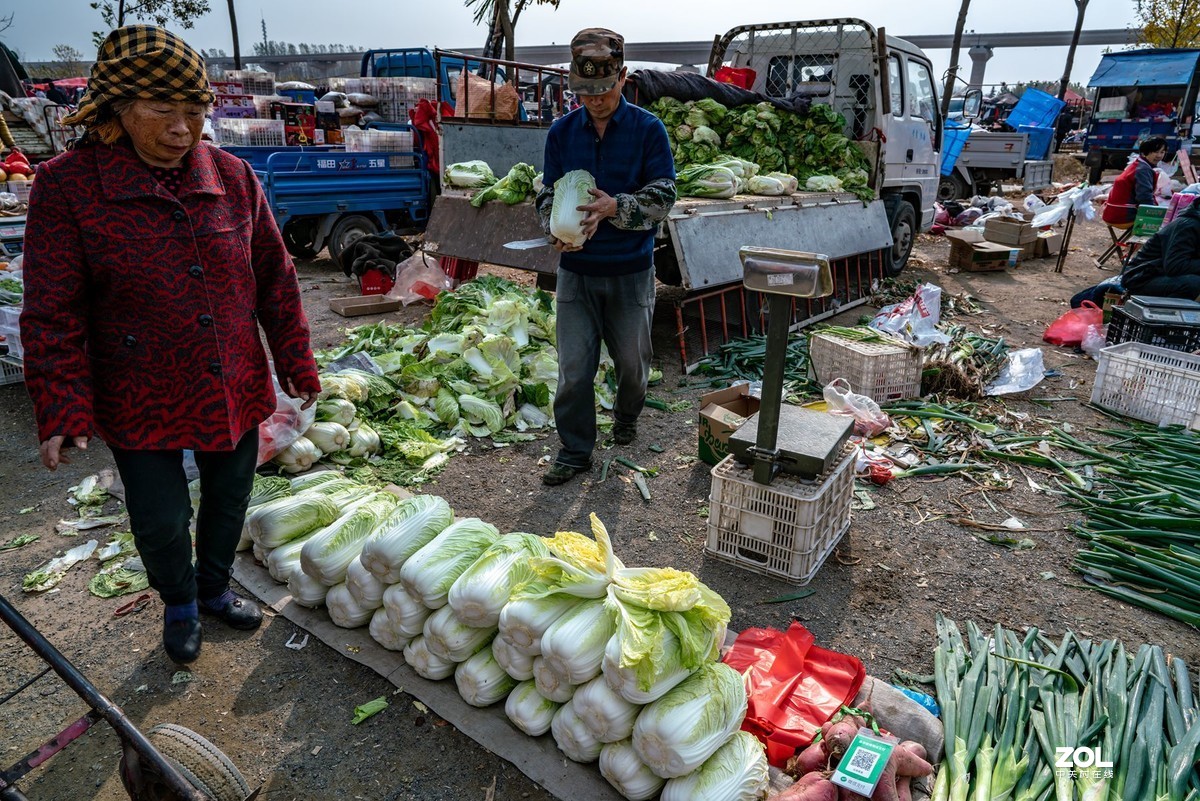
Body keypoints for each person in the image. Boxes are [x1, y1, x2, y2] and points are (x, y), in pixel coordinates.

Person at [20, 26, 321, 665]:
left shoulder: (234, 177)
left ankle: (213, 588)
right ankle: (178, 601)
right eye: (163, 112)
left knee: (230, 493)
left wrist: (295, 360)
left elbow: (275, 278)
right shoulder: (68, 186)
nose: (183, 129)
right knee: (159, 518)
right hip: (139, 387)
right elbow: (53, 311)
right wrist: (63, 406)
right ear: (115, 111)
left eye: (194, 111)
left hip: (230, 375)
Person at [535, 28, 676, 486]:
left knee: (634, 367)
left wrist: (619, 207)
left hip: (631, 272)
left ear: (623, 78)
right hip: (576, 272)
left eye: (603, 90)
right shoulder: (561, 133)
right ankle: (575, 451)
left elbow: (665, 196)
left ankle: (627, 415)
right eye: (584, 92)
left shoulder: (648, 129)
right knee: (574, 370)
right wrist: (553, 230)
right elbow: (547, 194)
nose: (593, 100)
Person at [1070, 198, 1200, 306]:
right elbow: (1175, 266)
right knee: (1193, 283)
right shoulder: (1187, 226)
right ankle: (1165, 325)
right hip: (1141, 278)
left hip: (1163, 275)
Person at [1103, 136, 1168, 227]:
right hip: (1123, 217)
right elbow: (1144, 197)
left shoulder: (1138, 164)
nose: (1159, 156)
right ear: (1145, 152)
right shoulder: (1143, 170)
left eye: (1162, 152)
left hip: (1112, 214)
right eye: (1155, 152)